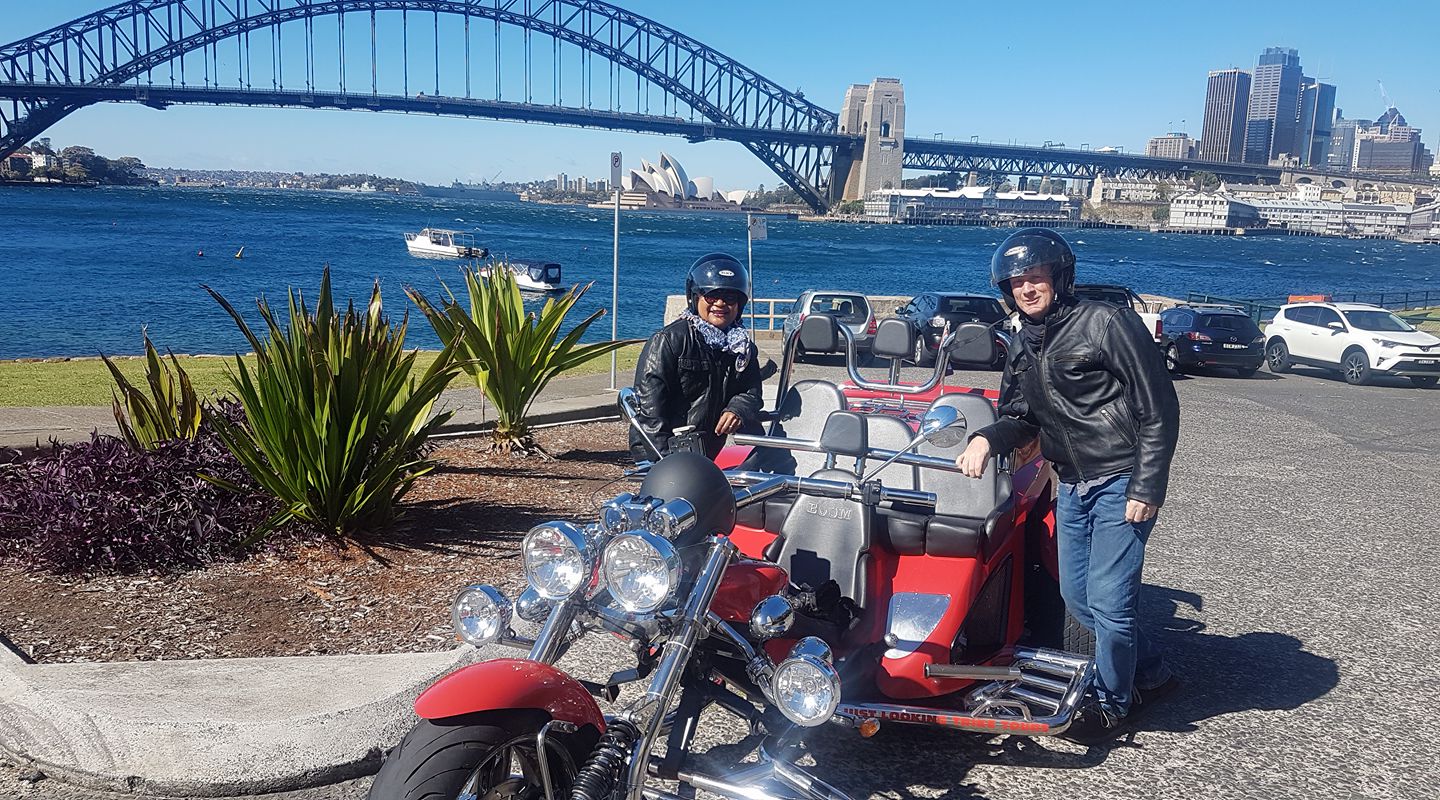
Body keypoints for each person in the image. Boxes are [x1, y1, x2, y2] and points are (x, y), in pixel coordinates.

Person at [954, 228, 1181, 744]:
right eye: (1017, 282)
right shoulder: (1021, 343)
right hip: (1073, 484)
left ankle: (1112, 702)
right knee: (1076, 596)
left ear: (1059, 277)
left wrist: (1147, 485)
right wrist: (988, 437)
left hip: (1120, 477)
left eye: (1036, 277)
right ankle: (1150, 671)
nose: (1027, 289)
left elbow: (1158, 407)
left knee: (1110, 599)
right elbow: (1021, 417)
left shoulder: (1106, 323)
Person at [629, 253, 764, 462]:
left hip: (705, 451)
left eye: (730, 298)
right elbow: (649, 408)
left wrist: (738, 409)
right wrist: (666, 459)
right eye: (711, 296)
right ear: (695, 298)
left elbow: (751, 391)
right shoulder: (669, 340)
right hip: (659, 450)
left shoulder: (742, 348)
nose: (720, 303)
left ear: (740, 304)